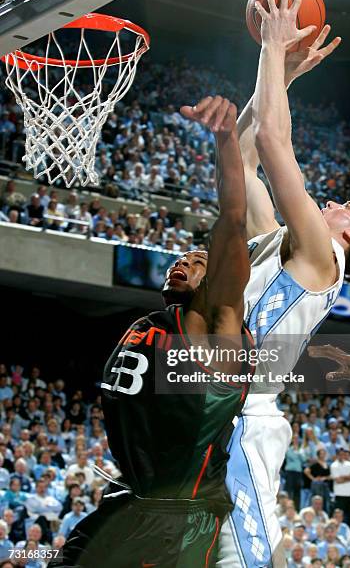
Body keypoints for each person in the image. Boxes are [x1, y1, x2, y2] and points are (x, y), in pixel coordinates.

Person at [218, 0, 350, 568]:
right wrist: (283, 75)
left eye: (349, 207)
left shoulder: (322, 259)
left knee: (242, 561)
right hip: (210, 403)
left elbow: (274, 142)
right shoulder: (287, 241)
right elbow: (242, 159)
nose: (335, 203)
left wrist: (274, 48)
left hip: (244, 417)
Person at [49, 95, 252, 568]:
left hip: (177, 523)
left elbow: (233, 218)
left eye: (198, 261)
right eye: (181, 257)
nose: (183, 260)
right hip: (127, 500)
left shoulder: (219, 331)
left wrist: (225, 140)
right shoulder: (157, 325)